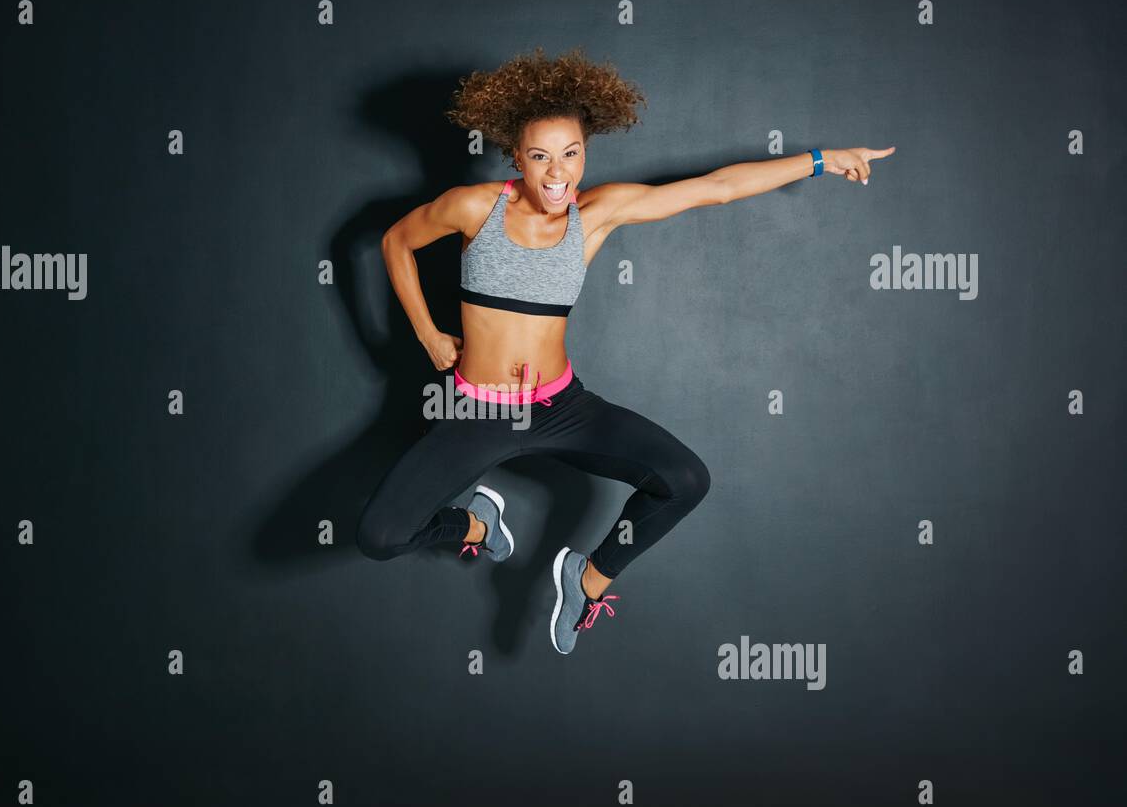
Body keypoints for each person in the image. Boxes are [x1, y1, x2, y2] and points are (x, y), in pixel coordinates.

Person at [356, 46, 894, 655]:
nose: (557, 173)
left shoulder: (597, 213)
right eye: (540, 157)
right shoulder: (473, 208)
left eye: (570, 154)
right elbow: (397, 241)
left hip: (562, 407)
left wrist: (824, 160)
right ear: (516, 157)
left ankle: (586, 580)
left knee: (686, 480)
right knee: (379, 535)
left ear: (585, 151)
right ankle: (479, 524)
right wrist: (427, 333)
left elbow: (715, 189)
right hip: (477, 413)